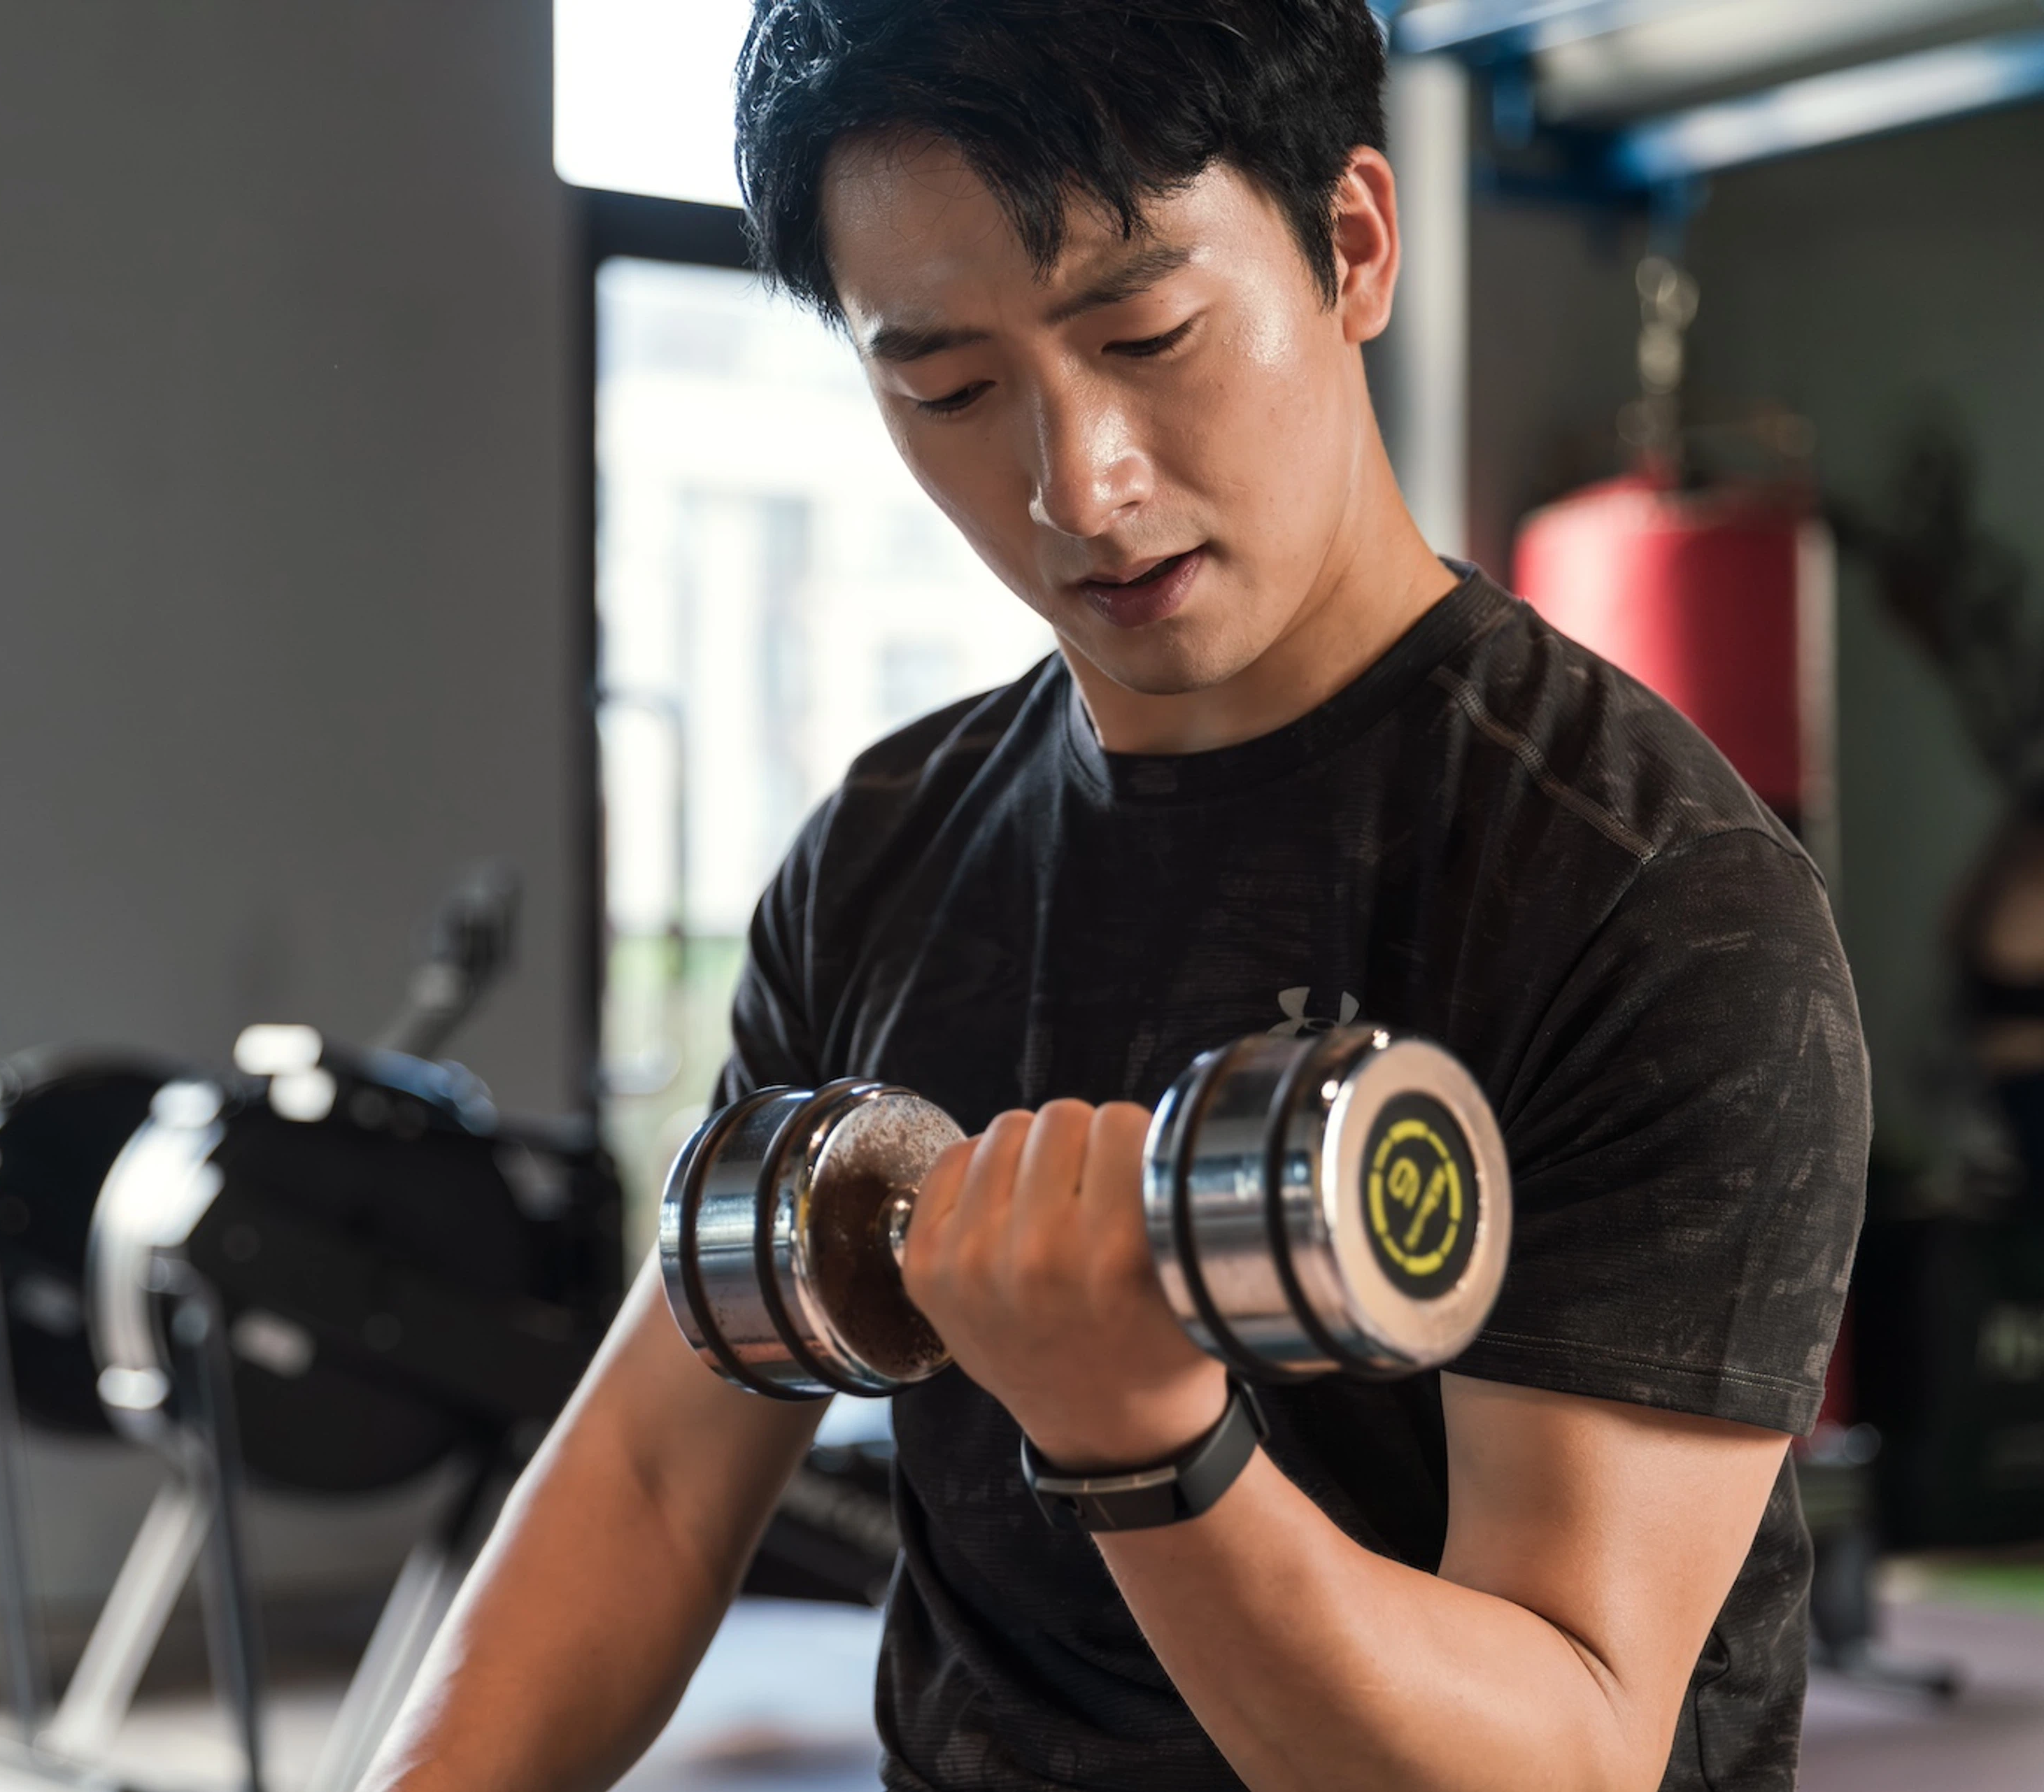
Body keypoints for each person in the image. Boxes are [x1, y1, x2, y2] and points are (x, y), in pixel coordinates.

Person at [364, 2, 1868, 1787]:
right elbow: (648, 1481)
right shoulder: (885, 852)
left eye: (1145, 332)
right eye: (949, 386)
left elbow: (1569, 1745)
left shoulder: (1645, 900)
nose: (1080, 483)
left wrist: (1144, 1440)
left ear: (1355, 247)